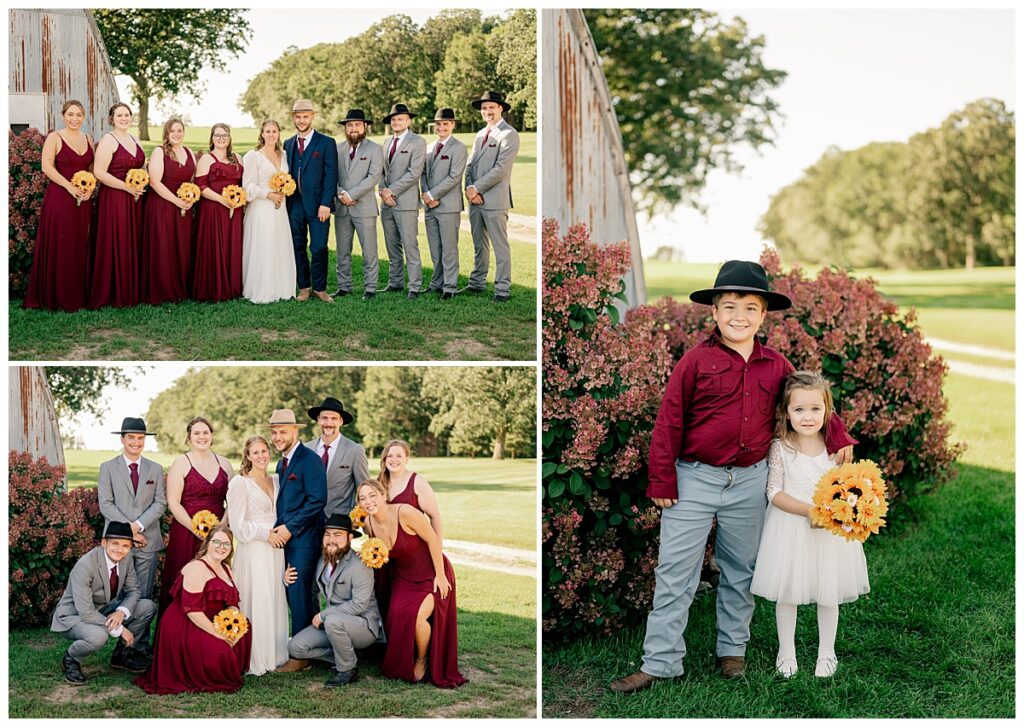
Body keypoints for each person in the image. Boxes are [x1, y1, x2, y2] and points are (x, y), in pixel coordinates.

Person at [610, 260, 857, 694]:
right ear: (714, 312)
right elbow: (669, 420)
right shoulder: (695, 361)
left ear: (763, 315)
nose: (738, 315)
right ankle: (661, 661)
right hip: (694, 479)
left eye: (749, 307)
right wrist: (662, 479)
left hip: (750, 482)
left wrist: (837, 434)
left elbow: (809, 399)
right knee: (675, 573)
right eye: (729, 306)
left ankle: (732, 651)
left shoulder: (776, 365)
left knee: (740, 571)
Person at [750, 371, 870, 678]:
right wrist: (810, 511)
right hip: (791, 527)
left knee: (828, 591)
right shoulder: (781, 448)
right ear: (786, 412)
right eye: (799, 410)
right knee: (788, 591)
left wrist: (845, 511)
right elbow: (774, 491)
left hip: (829, 533)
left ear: (827, 411)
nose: (807, 417)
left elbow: (848, 488)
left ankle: (826, 652)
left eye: (815, 409)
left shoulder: (836, 450)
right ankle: (786, 652)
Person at [358, 480, 465, 688]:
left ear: (383, 495)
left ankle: (421, 659)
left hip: (431, 574)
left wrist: (440, 576)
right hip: (403, 579)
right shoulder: (369, 524)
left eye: (372, 495)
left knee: (417, 617)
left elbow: (433, 540)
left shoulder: (405, 512)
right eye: (363, 498)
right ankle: (402, 659)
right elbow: (379, 552)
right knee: (396, 614)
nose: (368, 501)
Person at [135, 524, 252, 694]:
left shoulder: (228, 569)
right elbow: (192, 610)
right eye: (217, 542)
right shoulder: (197, 567)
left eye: (226, 544)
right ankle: (210, 671)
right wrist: (218, 633)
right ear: (208, 543)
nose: (221, 547)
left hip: (212, 619)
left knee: (243, 629)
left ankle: (227, 668)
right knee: (219, 649)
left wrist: (233, 624)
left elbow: (232, 602)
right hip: (185, 623)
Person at [279, 513, 382, 686]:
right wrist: (285, 578)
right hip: (334, 624)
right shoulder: (323, 560)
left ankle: (347, 669)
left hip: (363, 625)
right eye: (328, 534)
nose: (331, 539)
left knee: (333, 620)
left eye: (337, 534)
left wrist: (324, 615)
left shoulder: (360, 564)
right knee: (295, 646)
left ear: (350, 537)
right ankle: (347, 654)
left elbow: (360, 604)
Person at [51, 521, 156, 685]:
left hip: (102, 609)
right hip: (74, 615)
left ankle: (121, 655)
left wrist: (121, 612)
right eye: (115, 543)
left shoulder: (125, 559)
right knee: (98, 636)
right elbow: (86, 612)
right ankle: (71, 659)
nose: (120, 549)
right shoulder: (86, 565)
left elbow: (134, 590)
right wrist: (120, 629)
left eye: (125, 545)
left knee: (147, 607)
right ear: (104, 542)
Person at [96, 417, 167, 656]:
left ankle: (139, 645)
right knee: (119, 593)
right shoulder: (108, 467)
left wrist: (137, 526)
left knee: (144, 595)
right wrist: (130, 534)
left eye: (140, 438)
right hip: (118, 544)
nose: (136, 442)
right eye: (131, 438)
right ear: (122, 439)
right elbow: (106, 504)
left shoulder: (155, 469)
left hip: (148, 541)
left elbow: (160, 503)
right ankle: (119, 640)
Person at [23, 99, 95, 312]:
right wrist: (69, 187)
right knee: (61, 245)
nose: (75, 119)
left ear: (84, 117)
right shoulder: (55, 137)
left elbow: (91, 168)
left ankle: (78, 295)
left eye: (79, 115)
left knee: (78, 244)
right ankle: (58, 296)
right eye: (71, 114)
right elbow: (47, 166)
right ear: (63, 116)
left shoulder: (88, 139)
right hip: (60, 198)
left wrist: (90, 188)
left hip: (83, 200)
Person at [225, 435, 289, 675]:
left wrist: (277, 537)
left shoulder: (277, 480)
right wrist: (266, 534)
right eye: (256, 452)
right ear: (247, 456)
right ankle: (254, 656)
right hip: (254, 550)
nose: (261, 455)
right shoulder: (240, 483)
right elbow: (238, 527)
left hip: (276, 551)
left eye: (264, 451)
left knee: (274, 596)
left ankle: (275, 653)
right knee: (258, 598)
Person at [160, 417, 232, 613]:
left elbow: (232, 502)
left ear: (212, 436)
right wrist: (196, 529)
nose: (202, 437)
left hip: (219, 532)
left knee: (214, 578)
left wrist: (221, 528)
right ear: (189, 438)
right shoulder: (181, 463)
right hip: (186, 531)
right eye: (197, 433)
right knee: (186, 577)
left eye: (206, 432)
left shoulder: (225, 464)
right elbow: (173, 502)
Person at [269, 408, 327, 635]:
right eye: (274, 433)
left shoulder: (309, 459)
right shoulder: (280, 463)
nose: (277, 438)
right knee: (295, 592)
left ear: (295, 430)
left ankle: (301, 652)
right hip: (287, 539)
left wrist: (290, 528)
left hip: (304, 539)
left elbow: (317, 499)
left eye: (282, 432)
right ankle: (310, 643)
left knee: (299, 591)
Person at [464, 90, 520, 303]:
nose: (487, 111)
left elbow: (500, 169)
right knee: (479, 243)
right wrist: (468, 188)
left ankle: (502, 289)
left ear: (500, 108)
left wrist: (476, 188)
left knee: (499, 245)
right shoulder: (480, 134)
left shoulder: (509, 134)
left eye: (491, 107)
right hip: (474, 198)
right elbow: (470, 164)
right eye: (484, 108)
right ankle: (477, 282)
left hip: (495, 199)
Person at [88, 102, 145, 309]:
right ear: (112, 118)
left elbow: (141, 166)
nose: (124, 118)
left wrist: (139, 184)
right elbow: (100, 173)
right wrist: (127, 188)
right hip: (114, 197)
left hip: (134, 197)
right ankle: (112, 291)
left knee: (131, 239)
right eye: (119, 115)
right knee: (116, 240)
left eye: (127, 115)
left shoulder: (134, 139)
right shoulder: (108, 140)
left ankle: (129, 288)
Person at [284, 99, 338, 303]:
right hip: (294, 205)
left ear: (312, 117)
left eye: (305, 116)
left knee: (318, 248)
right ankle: (304, 287)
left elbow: (331, 176)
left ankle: (321, 288)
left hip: (318, 206)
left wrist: (326, 203)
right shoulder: (288, 144)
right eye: (298, 116)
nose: (301, 120)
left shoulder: (326, 143)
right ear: (293, 118)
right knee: (297, 246)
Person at [141, 116, 196, 305]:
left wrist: (190, 197)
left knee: (180, 246)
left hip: (183, 207)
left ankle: (179, 288)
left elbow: (192, 181)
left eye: (179, 130)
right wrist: (177, 201)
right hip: (162, 204)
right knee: (163, 246)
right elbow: (155, 181)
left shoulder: (188, 152)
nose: (176, 134)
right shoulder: (160, 152)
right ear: (166, 133)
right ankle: (162, 290)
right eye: (172, 130)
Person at [242, 119, 296, 303]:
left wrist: (284, 191)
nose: (271, 134)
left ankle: (280, 287)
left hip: (279, 209)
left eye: (274, 131)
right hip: (262, 208)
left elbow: (287, 179)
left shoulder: (285, 155)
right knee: (264, 246)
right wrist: (268, 194)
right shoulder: (253, 156)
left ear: (279, 133)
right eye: (268, 131)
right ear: (262, 134)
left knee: (278, 245)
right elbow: (247, 186)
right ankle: (262, 288)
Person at [333, 108, 383, 299]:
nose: (353, 128)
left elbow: (373, 177)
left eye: (357, 125)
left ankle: (370, 287)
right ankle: (344, 286)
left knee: (369, 250)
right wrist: (341, 194)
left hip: (364, 208)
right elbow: (332, 175)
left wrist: (351, 194)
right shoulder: (337, 148)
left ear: (365, 126)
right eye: (350, 125)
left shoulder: (375, 149)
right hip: (342, 208)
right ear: (345, 128)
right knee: (343, 250)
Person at [378, 102, 426, 299]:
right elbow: (381, 171)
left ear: (408, 121)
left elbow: (414, 173)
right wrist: (382, 190)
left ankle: (414, 286)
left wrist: (392, 191)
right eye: (394, 119)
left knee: (409, 244)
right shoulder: (387, 142)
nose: (396, 122)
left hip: (405, 202)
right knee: (392, 244)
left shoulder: (418, 142)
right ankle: (395, 282)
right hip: (386, 202)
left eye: (400, 119)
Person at [192, 123, 244, 302]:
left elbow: (242, 184)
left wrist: (237, 201)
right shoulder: (207, 159)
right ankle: (214, 287)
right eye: (217, 135)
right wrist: (223, 201)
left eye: (225, 135)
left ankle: (233, 286)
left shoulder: (238, 158)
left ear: (230, 138)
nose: (221, 139)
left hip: (235, 210)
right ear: (212, 138)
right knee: (215, 245)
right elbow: (201, 186)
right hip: (213, 209)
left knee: (233, 245)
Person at [421, 108, 468, 299]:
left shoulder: (459, 148)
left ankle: (450, 287)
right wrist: (425, 194)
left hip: (448, 206)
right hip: (430, 205)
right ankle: (436, 282)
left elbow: (455, 176)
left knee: (449, 248)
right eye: (438, 124)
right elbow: (423, 173)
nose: (441, 127)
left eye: (445, 124)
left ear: (453, 125)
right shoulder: (429, 147)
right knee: (435, 248)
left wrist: (432, 194)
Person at [305, 397, 369, 517]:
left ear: (341, 421)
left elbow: (364, 489)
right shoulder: (305, 450)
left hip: (339, 523)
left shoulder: (355, 451)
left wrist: (357, 519)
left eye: (334, 418)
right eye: (324, 418)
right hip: (308, 523)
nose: (329, 423)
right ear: (318, 420)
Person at [378, 439, 443, 543]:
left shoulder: (417, 482)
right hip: (387, 552)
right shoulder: (379, 484)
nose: (394, 459)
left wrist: (437, 548)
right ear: (385, 459)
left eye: (399, 456)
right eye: (390, 456)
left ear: (406, 459)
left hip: (415, 550)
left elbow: (434, 517)